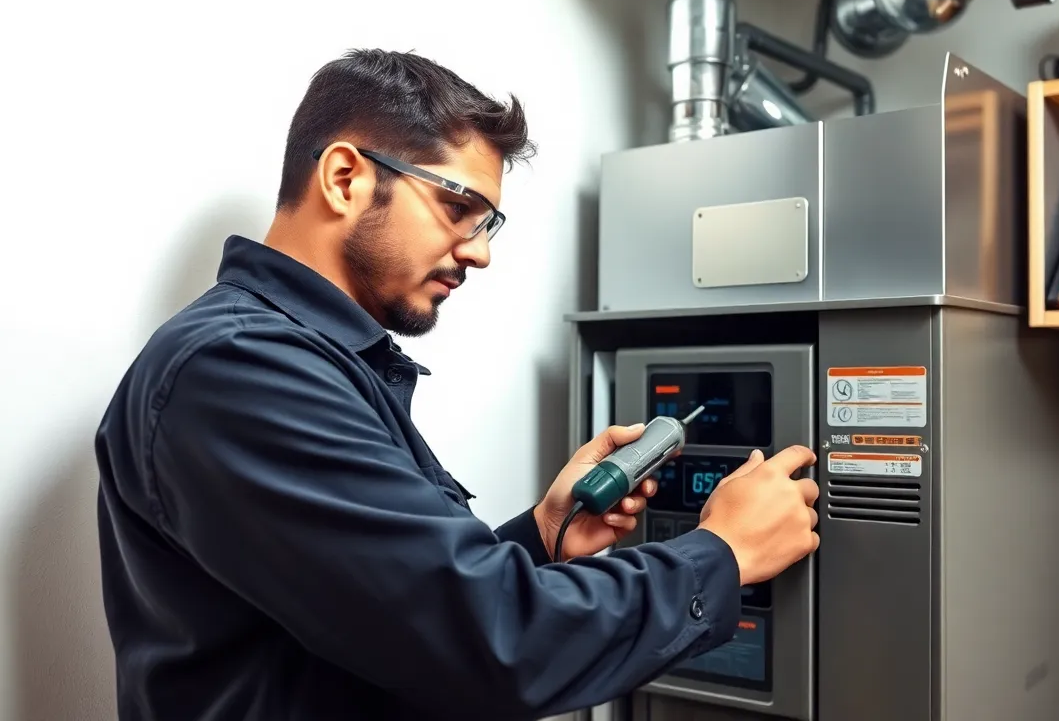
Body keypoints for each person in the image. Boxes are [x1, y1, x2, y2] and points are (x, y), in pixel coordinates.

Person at [93, 48, 821, 721]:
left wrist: (540, 538)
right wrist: (723, 553)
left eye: (488, 223)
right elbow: (495, 645)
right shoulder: (240, 371)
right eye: (457, 207)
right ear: (345, 178)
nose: (477, 253)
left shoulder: (314, 362)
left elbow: (392, 618)